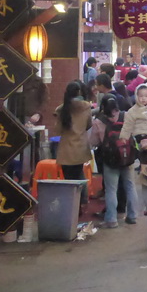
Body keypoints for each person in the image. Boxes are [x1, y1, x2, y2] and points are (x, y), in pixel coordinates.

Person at [92, 96, 138, 228]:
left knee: (111, 189)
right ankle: (132, 216)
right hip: (127, 158)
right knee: (130, 186)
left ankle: (111, 219)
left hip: (110, 160)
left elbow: (93, 142)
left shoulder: (99, 121)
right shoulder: (126, 116)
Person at [55, 81, 93, 213]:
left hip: (66, 148)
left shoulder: (62, 109)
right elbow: (89, 124)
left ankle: (72, 204)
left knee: (68, 178)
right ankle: (82, 200)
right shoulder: (86, 107)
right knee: (79, 173)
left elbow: (58, 129)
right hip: (81, 146)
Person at [120, 83, 147, 181]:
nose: (143, 99)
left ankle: (145, 170)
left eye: (146, 96)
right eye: (140, 96)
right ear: (136, 96)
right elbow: (128, 124)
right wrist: (124, 136)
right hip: (139, 133)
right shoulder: (133, 110)